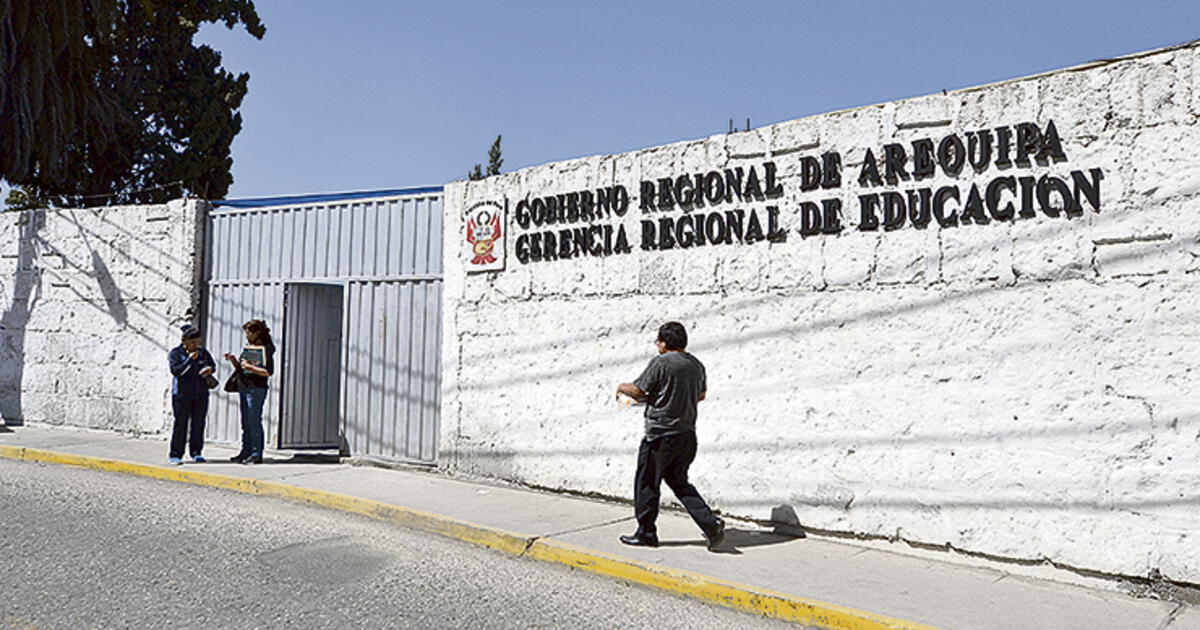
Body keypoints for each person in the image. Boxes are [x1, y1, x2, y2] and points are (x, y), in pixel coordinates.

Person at [615, 321, 725, 550]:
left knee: (646, 483)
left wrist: (622, 387)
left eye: (658, 342)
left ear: (664, 343)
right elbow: (701, 395)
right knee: (679, 481)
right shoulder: (696, 364)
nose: (658, 346)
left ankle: (646, 533)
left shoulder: (661, 363)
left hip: (660, 436)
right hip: (686, 435)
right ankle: (710, 523)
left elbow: (638, 390)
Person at [224, 319, 275, 464]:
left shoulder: (266, 349)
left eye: (249, 333)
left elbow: (268, 372)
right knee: (245, 422)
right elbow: (241, 368)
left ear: (257, 333)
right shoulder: (249, 348)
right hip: (244, 386)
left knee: (254, 421)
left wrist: (251, 368)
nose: (246, 336)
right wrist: (233, 360)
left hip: (256, 388)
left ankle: (256, 453)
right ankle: (245, 451)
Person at [167, 324, 216, 465]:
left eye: (198, 342)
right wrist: (189, 360)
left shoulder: (203, 352)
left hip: (200, 393)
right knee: (180, 424)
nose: (196, 345)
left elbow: (212, 365)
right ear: (184, 341)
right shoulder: (176, 353)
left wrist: (209, 370)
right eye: (192, 342)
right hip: (182, 394)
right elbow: (176, 371)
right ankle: (175, 454)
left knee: (198, 424)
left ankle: (196, 452)